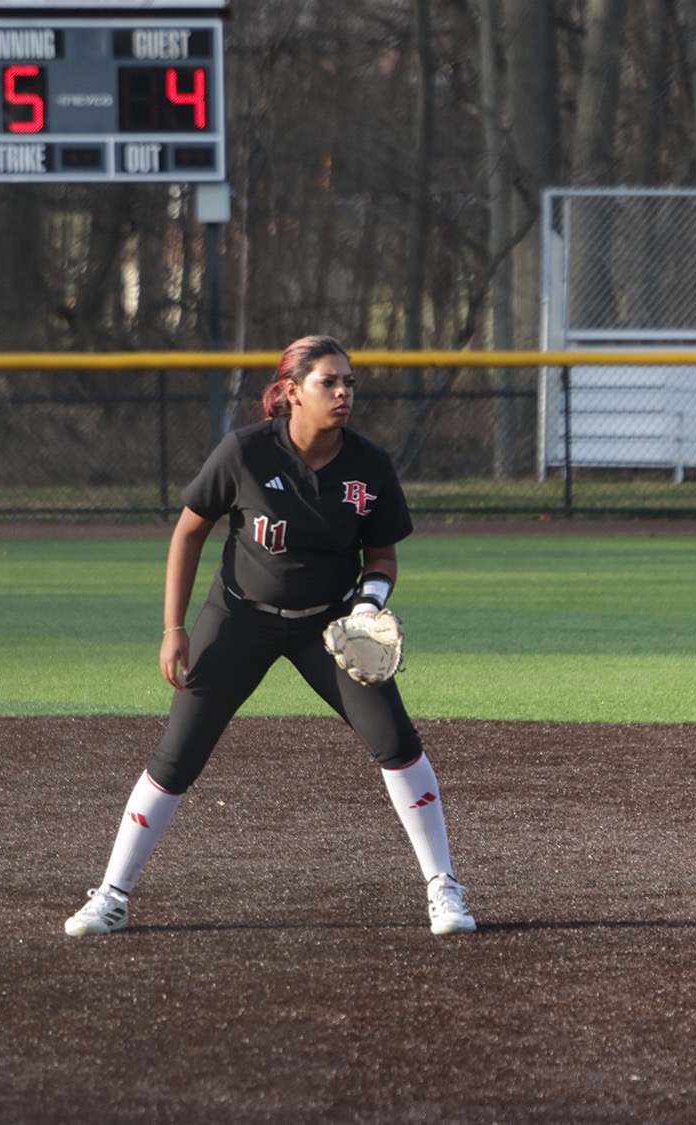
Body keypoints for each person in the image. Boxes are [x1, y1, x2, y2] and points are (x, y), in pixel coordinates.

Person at [64, 335, 476, 937]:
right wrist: (173, 627)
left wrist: (368, 605)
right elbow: (188, 534)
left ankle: (444, 887)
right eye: (328, 382)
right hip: (238, 617)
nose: (343, 393)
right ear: (290, 393)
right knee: (177, 756)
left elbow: (381, 557)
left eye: (349, 383)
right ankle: (112, 894)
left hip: (330, 626)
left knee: (396, 741)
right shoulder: (246, 452)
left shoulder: (370, 465)